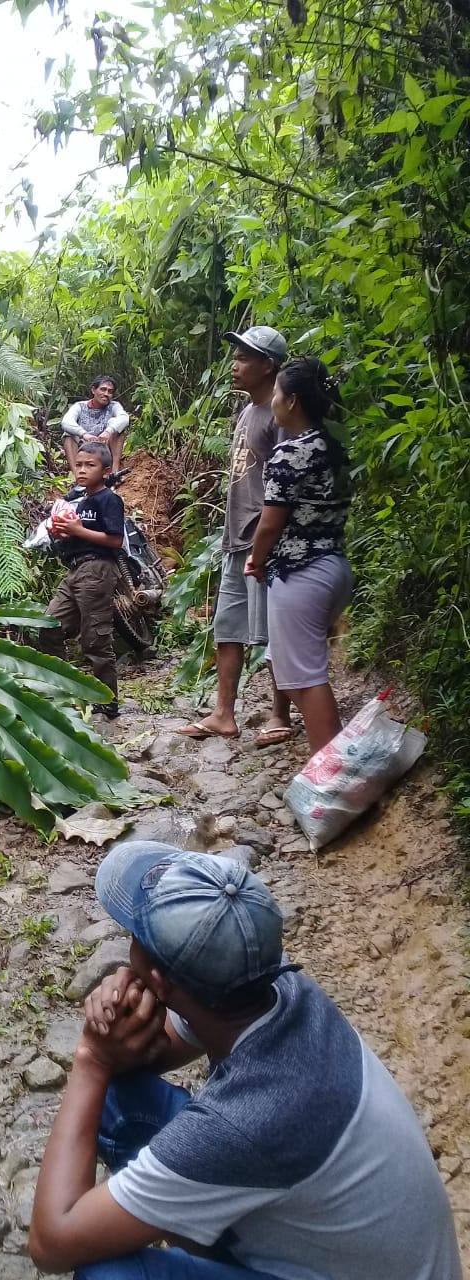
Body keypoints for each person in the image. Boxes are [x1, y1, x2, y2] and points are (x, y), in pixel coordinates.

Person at [30, 840, 461, 1280]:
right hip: (347, 1249)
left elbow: (51, 1244)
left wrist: (92, 1059)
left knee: (110, 1274)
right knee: (115, 1102)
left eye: (134, 938)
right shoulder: (268, 985)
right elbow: (143, 1054)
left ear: (160, 981)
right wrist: (128, 1017)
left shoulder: (239, 1121)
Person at [178, 327, 293, 746]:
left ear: (268, 366)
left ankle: (280, 715)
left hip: (263, 542)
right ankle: (224, 714)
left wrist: (266, 544)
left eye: (244, 358)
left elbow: (285, 486)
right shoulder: (247, 412)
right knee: (227, 630)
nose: (235, 364)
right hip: (234, 539)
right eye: (236, 356)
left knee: (274, 633)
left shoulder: (281, 417)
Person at [244, 357, 353, 755]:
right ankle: (331, 764)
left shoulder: (290, 453)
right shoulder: (335, 446)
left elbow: (270, 523)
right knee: (298, 671)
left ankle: (331, 773)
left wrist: (256, 559)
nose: (272, 401)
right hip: (334, 567)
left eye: (277, 393)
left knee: (306, 679)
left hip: (301, 574)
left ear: (291, 401)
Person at [37, 441, 125, 720]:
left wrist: (77, 530)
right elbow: (75, 536)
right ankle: (65, 689)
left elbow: (115, 539)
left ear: (106, 470)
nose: (82, 470)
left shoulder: (109, 500)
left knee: (95, 639)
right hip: (75, 570)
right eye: (78, 465)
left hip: (97, 569)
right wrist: (63, 533)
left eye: (90, 465)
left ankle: (107, 701)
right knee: (49, 625)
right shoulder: (81, 501)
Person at [62, 376, 130, 472]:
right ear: (93, 390)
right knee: (68, 434)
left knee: (119, 429)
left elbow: (124, 418)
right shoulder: (80, 406)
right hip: (83, 447)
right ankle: (76, 474)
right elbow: (66, 422)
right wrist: (84, 434)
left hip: (105, 447)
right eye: (103, 389)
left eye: (110, 391)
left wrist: (108, 431)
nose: (106, 394)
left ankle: (114, 472)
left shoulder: (114, 406)